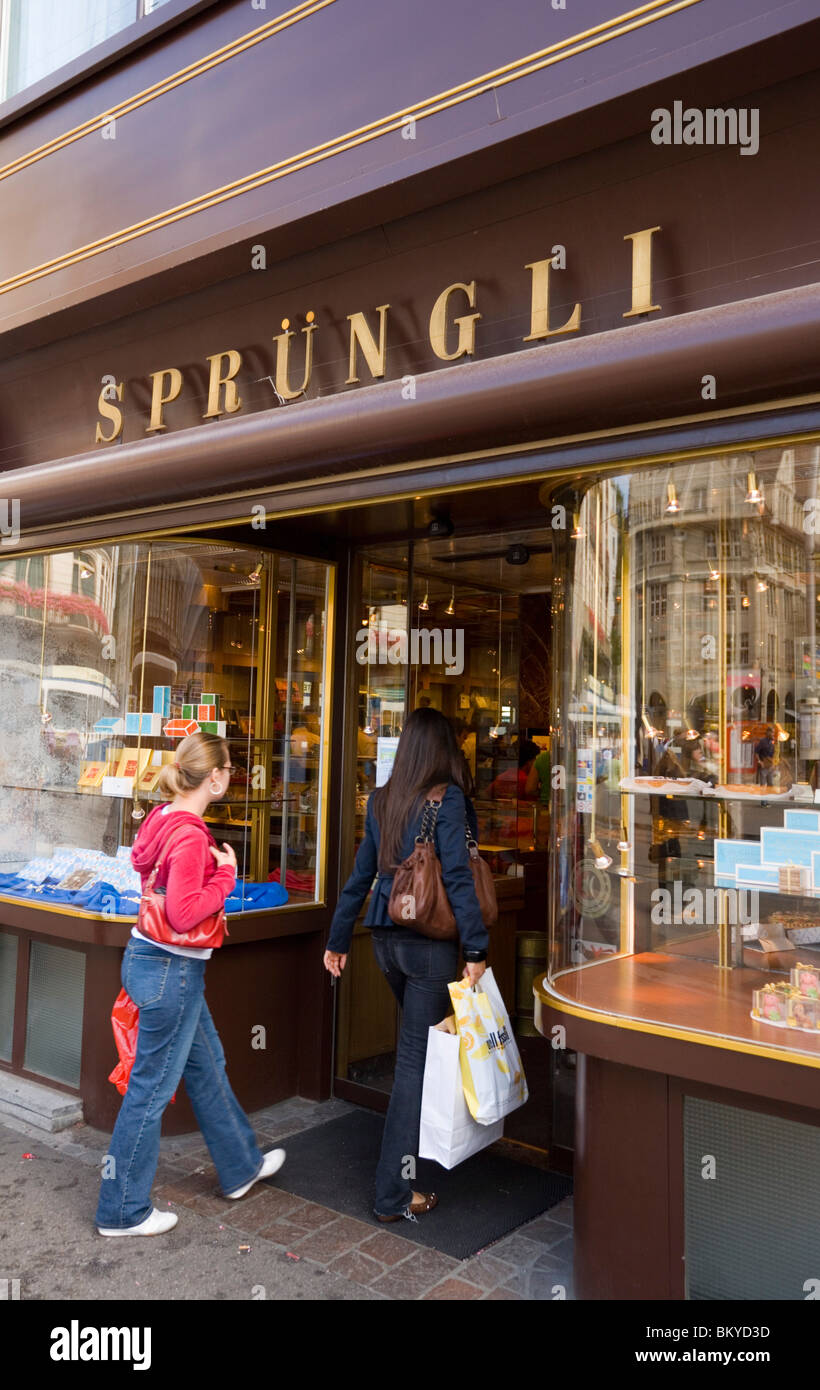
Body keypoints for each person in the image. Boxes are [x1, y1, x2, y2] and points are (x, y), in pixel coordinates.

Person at [95, 732, 285, 1237]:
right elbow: (182, 914)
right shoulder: (191, 835)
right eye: (229, 771)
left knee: (206, 1066)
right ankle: (122, 1211)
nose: (231, 778)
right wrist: (226, 876)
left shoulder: (161, 818)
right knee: (150, 1093)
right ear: (217, 777)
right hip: (170, 969)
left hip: (154, 962)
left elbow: (143, 869)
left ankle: (240, 1166)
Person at [323, 707, 489, 1223]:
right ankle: (393, 1193)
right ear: (444, 750)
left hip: (383, 941)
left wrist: (338, 938)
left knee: (419, 1051)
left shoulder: (382, 799)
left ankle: (422, 1156)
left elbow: (360, 874)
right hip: (428, 947)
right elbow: (458, 879)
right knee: (414, 1064)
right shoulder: (448, 798)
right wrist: (477, 950)